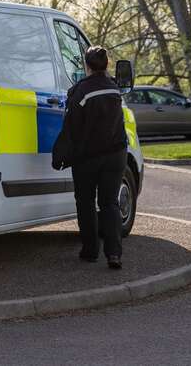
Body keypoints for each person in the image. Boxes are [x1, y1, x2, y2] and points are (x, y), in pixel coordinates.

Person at [52, 46, 127, 269]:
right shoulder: (114, 89)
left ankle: (90, 251)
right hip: (116, 154)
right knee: (110, 203)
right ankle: (114, 254)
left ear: (87, 65)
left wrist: (60, 154)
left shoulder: (81, 92)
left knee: (85, 202)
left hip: (88, 157)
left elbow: (71, 128)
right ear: (106, 65)